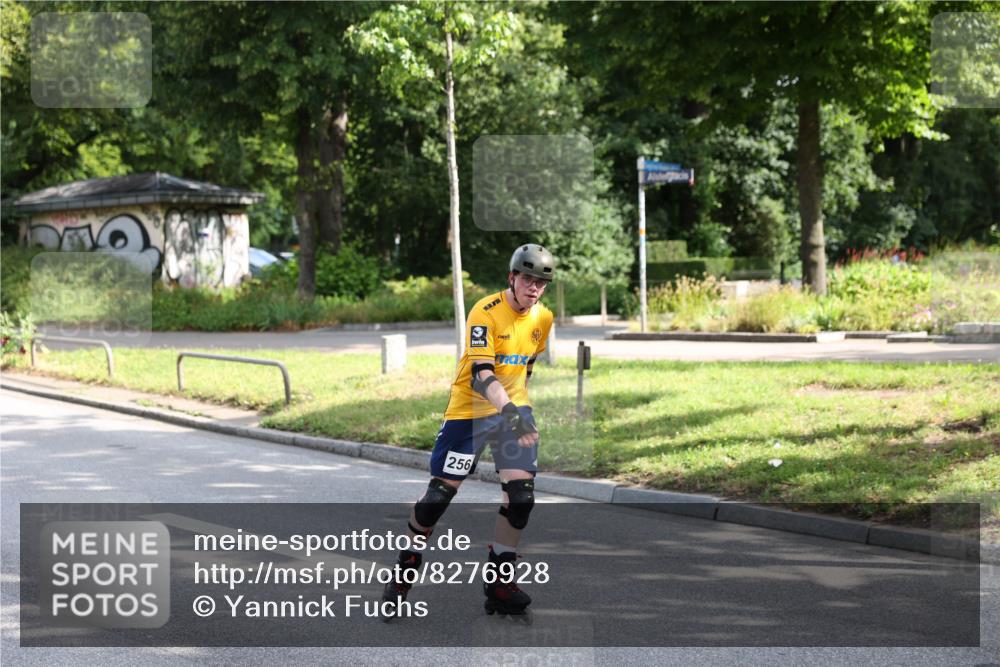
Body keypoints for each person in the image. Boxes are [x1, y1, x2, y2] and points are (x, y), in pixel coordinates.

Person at [383, 243, 555, 617]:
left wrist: (516, 409)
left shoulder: (544, 319)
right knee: (438, 499)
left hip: (513, 411)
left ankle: (500, 585)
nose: (533, 287)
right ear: (511, 278)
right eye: (527, 278)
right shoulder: (485, 312)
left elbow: (525, 368)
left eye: (541, 282)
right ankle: (405, 566)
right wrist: (507, 408)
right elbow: (481, 375)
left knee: (521, 498)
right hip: (470, 411)